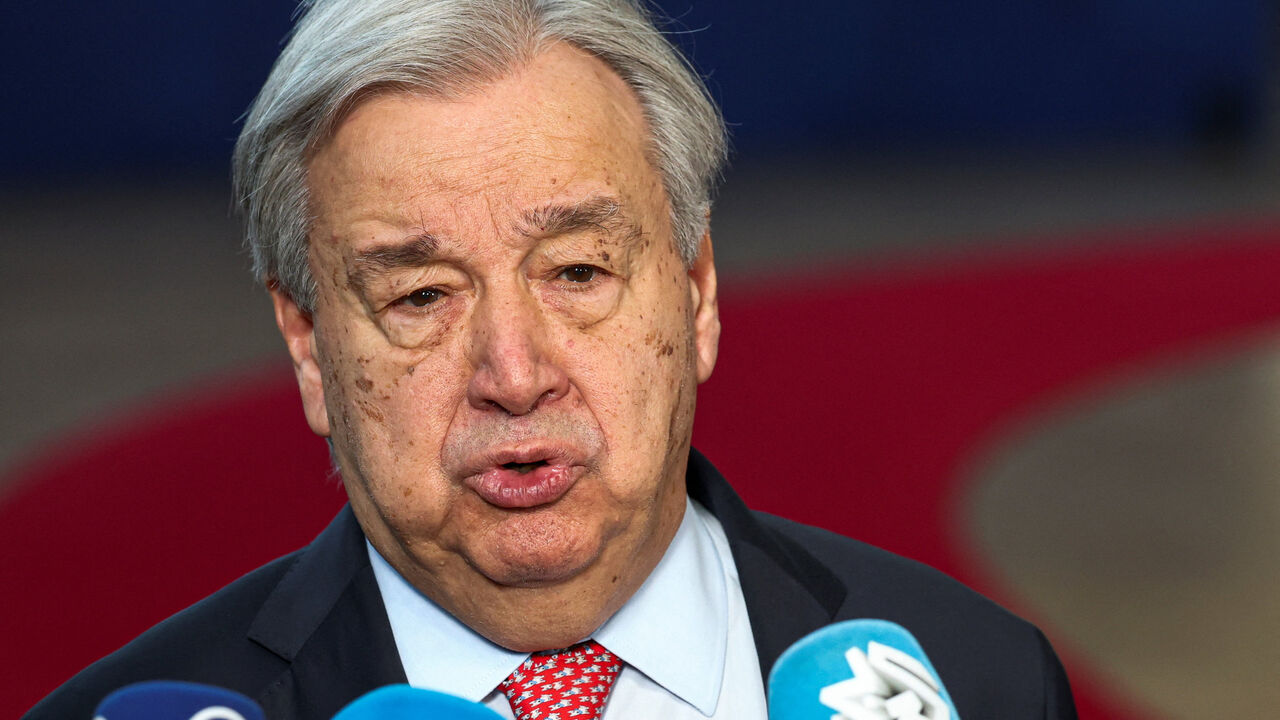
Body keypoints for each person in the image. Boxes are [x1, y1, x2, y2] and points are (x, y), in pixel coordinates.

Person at [26, 0, 1077, 718]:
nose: (515, 373)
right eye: (422, 296)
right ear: (309, 346)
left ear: (696, 290)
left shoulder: (981, 681)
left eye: (576, 271)